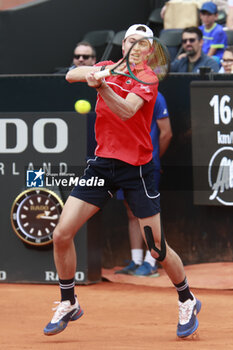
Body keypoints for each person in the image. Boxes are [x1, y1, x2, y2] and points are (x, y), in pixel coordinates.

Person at [43, 24, 201, 339]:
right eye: (131, 41)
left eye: (143, 43)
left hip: (137, 169)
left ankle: (187, 298)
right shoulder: (106, 67)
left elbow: (127, 110)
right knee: (61, 234)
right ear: (123, 44)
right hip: (102, 165)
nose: (135, 46)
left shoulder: (147, 78)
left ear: (148, 50)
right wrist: (92, 75)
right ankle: (68, 301)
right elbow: (71, 75)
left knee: (156, 248)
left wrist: (101, 88)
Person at [115, 91, 173, 276]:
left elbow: (166, 133)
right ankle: (136, 260)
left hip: (147, 165)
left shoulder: (157, 97)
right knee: (131, 212)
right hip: (124, 163)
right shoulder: (119, 94)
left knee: (148, 213)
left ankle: (152, 261)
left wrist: (154, 158)